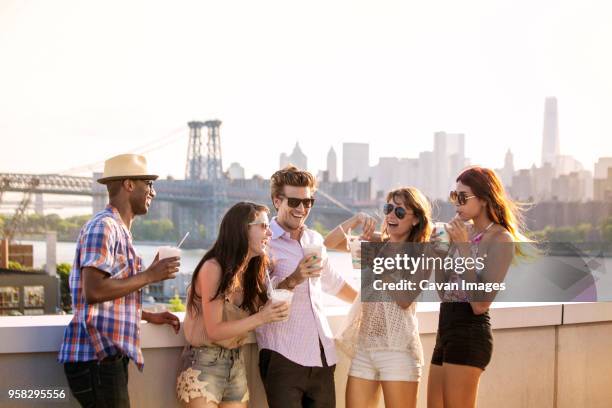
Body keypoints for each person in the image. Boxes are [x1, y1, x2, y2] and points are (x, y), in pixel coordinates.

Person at [58, 154, 181, 408]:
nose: (153, 192)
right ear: (129, 184)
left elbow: (107, 300)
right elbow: (93, 291)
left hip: (104, 359)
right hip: (95, 359)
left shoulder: (119, 230)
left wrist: (146, 314)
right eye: (148, 184)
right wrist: (150, 275)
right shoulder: (104, 227)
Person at [427, 166, 530, 408]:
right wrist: (440, 254)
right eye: (454, 196)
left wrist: (463, 248)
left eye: (463, 197)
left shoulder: (500, 238)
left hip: (470, 332)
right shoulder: (464, 231)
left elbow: (480, 304)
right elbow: (444, 293)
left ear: (483, 199)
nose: (456, 203)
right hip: (446, 328)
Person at [255, 165, 358, 408]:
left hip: (322, 355)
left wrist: (372, 303)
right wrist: (294, 278)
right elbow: (257, 299)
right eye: (294, 201)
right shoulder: (263, 242)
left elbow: (334, 283)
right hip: (283, 356)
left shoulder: (315, 240)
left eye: (308, 202)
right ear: (277, 200)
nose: (301, 209)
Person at [326, 187, 433, 408]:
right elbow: (328, 244)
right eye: (388, 208)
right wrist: (355, 219)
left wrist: (379, 264)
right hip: (365, 347)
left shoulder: (423, 253)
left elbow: (405, 299)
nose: (392, 215)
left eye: (400, 212)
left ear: (415, 220)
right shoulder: (376, 242)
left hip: (398, 351)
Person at [176, 202, 289, 408]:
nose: (270, 233)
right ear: (242, 229)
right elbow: (214, 330)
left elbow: (270, 304)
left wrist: (296, 277)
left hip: (236, 363)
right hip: (203, 364)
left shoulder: (251, 272)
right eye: (263, 226)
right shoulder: (213, 268)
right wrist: (262, 317)